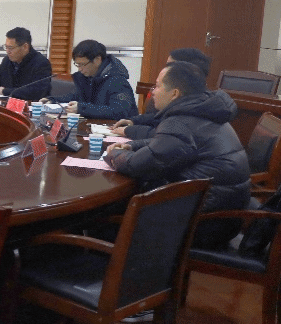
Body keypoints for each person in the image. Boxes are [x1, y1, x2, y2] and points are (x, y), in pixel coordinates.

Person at [104, 61, 250, 249]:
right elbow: (166, 144)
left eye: (158, 86)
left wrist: (113, 154)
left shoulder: (181, 121)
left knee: (105, 215)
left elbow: (138, 165)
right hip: (222, 217)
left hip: (201, 223)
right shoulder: (202, 111)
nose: (153, 92)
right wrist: (132, 146)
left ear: (174, 93)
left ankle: (110, 264)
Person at [113, 47, 212, 139]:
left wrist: (131, 130)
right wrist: (134, 121)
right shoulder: (186, 100)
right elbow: (157, 117)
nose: (165, 70)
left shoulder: (196, 108)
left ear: (187, 71)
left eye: (170, 66)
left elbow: (165, 135)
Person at [49, 39, 137, 120]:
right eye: (77, 64)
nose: (80, 69)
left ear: (97, 60)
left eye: (83, 64)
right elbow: (77, 97)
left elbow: (119, 112)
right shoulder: (86, 77)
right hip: (94, 125)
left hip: (119, 128)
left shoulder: (118, 82)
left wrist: (82, 108)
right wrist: (53, 100)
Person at [0, 26, 53, 101]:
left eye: (10, 48)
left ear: (25, 47)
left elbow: (36, 92)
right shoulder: (7, 60)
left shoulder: (41, 63)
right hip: (7, 104)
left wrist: (5, 91)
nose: (7, 51)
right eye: (6, 47)